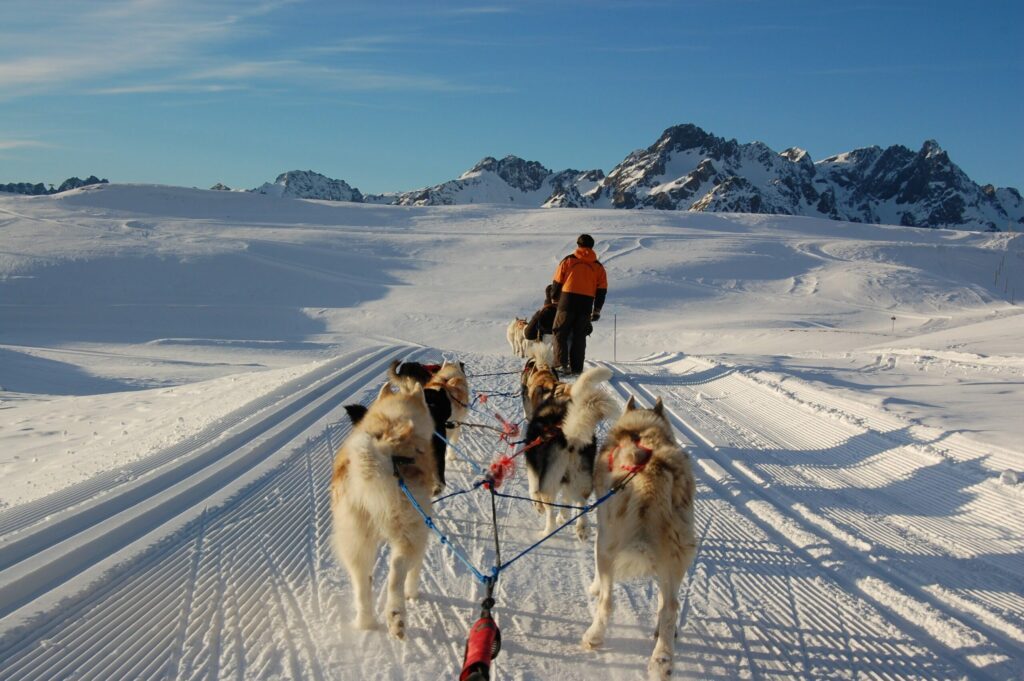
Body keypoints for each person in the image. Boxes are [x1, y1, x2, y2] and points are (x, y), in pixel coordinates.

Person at [550, 234, 607, 375]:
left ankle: (561, 365)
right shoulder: (598, 267)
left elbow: (557, 281)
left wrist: (554, 298)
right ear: (592, 247)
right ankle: (577, 368)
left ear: (578, 245)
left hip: (567, 300)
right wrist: (597, 310)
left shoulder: (568, 261)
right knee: (579, 336)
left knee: (560, 332)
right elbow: (602, 290)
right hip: (586, 304)